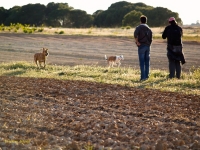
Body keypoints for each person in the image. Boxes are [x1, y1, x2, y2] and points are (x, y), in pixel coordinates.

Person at [134, 15, 153, 81]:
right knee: (147, 62)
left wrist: (137, 42)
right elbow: (151, 38)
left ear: (140, 21)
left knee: (142, 62)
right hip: (148, 46)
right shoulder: (149, 28)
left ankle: (143, 77)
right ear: (146, 21)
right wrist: (149, 44)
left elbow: (135, 35)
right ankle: (147, 76)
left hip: (141, 46)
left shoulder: (138, 27)